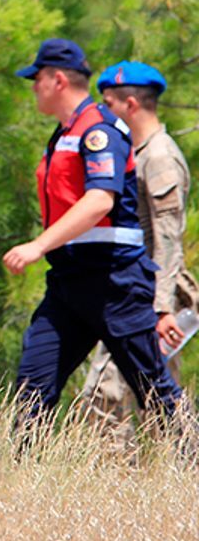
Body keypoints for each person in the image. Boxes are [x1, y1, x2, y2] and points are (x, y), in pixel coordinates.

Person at [3, 39, 186, 429]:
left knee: (156, 392)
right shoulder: (64, 132)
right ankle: (16, 479)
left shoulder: (99, 130)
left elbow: (100, 201)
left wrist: (37, 246)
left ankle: (192, 463)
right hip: (69, 282)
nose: (33, 87)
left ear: (57, 80)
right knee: (32, 387)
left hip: (114, 284)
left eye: (36, 79)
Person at [80, 61, 191, 448]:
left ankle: (115, 485)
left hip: (150, 296)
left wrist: (160, 308)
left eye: (107, 102)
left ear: (130, 104)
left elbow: (167, 239)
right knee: (155, 400)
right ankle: (173, 480)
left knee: (106, 394)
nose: (101, 110)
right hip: (135, 291)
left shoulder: (158, 157)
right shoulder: (138, 151)